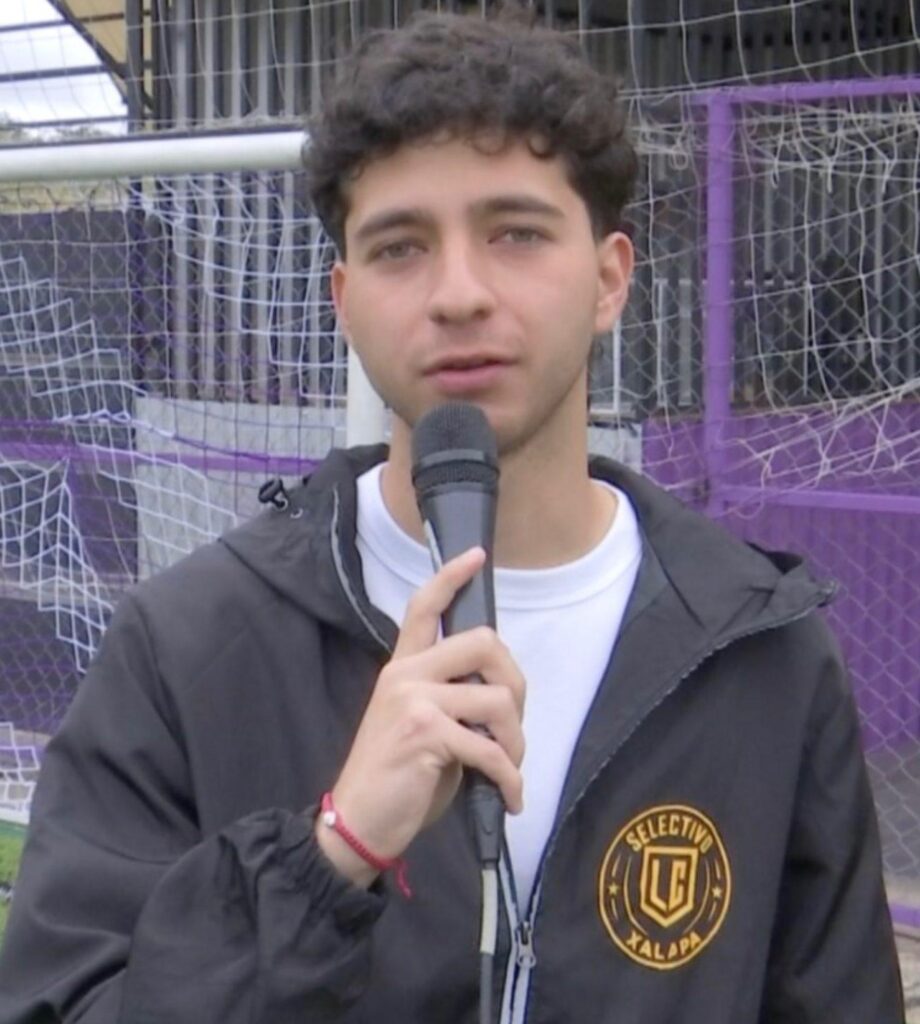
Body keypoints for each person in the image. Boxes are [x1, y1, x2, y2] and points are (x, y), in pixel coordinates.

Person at [0, 7, 904, 1023]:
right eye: (400, 247)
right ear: (343, 301)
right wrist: (333, 854)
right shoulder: (188, 647)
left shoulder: (758, 653)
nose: (459, 294)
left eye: (516, 233)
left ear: (609, 278)